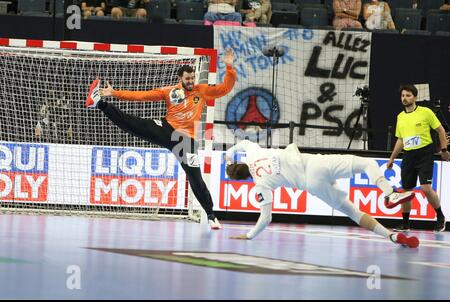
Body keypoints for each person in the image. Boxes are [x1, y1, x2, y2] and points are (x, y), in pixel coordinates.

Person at [85, 48, 237, 230]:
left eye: (192, 78)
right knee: (135, 125)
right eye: (187, 79)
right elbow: (142, 96)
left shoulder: (202, 91)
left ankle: (211, 215)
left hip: (185, 141)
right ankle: (100, 103)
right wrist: (115, 93)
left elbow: (226, 88)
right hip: (166, 129)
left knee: (195, 179)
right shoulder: (169, 91)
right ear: (180, 79)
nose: (190, 81)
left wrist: (229, 67)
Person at [224, 140, 419, 248]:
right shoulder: (254, 153)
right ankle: (390, 193)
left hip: (311, 184)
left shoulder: (260, 185)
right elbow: (243, 142)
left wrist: (249, 235)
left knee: (352, 212)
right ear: (240, 163)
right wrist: (228, 155)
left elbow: (266, 218)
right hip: (314, 163)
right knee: (368, 164)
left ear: (242, 179)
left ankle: (391, 236)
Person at [387, 85, 449, 233]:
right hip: (408, 156)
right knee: (406, 191)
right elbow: (401, 140)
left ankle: (440, 217)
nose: (404, 98)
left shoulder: (426, 112)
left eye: (408, 95)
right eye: (402, 96)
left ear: (414, 97)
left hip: (425, 153)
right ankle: (406, 224)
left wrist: (444, 150)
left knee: (425, 188)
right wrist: (391, 159)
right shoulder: (400, 117)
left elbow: (440, 130)